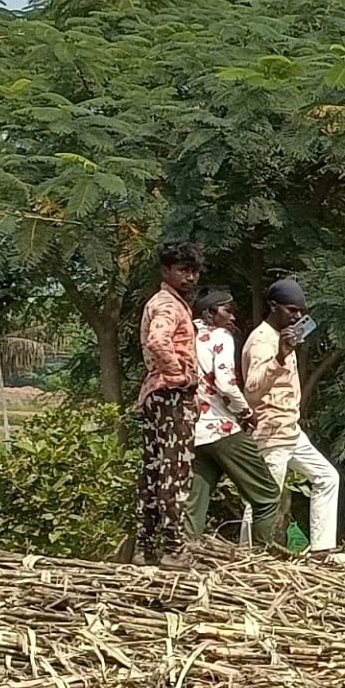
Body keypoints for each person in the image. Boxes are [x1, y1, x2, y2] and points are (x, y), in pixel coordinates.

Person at [243, 278, 345, 563]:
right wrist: (279, 356)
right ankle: (247, 557)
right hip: (271, 434)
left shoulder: (284, 337)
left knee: (327, 478)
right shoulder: (262, 341)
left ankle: (323, 550)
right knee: (264, 499)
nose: (298, 316)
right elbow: (251, 390)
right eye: (291, 310)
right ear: (273, 307)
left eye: (301, 311)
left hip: (291, 431)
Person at [186, 287, 283, 549]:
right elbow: (226, 384)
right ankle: (264, 560)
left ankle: (183, 556)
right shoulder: (220, 336)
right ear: (209, 313)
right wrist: (246, 413)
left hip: (194, 432)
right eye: (227, 310)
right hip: (221, 428)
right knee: (267, 496)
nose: (232, 318)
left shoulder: (188, 336)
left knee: (196, 503)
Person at [135, 241, 207, 566]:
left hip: (156, 394)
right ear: (166, 271)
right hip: (172, 395)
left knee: (152, 471)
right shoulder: (168, 306)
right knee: (173, 471)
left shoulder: (169, 302)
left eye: (193, 271)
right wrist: (178, 374)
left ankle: (145, 547)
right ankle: (173, 547)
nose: (190, 277)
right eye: (182, 270)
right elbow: (157, 340)